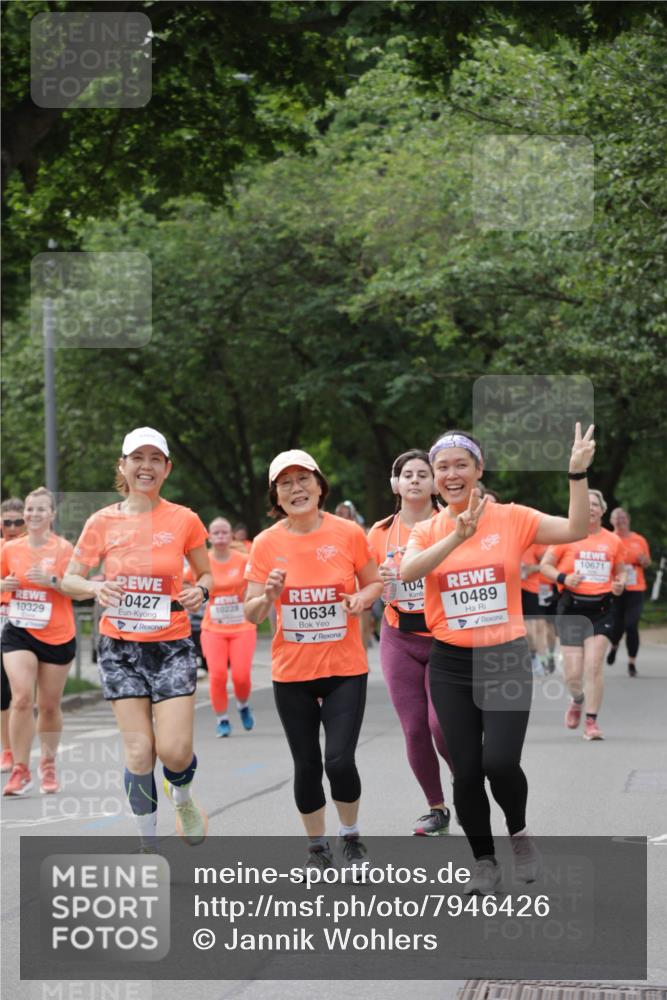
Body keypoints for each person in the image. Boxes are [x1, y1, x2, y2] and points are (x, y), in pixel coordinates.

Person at [401, 425, 595, 895]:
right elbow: (409, 572)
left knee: (501, 762)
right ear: (432, 480)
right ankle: (483, 861)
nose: (450, 474)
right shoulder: (427, 528)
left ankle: (520, 834)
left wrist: (576, 472)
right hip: (449, 662)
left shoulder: (512, 518)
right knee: (465, 770)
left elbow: (576, 528)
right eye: (441, 468)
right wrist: (455, 536)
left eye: (459, 465)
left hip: (504, 656)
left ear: (478, 470)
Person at [62, 427, 212, 846]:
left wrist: (201, 590)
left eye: (154, 459)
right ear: (123, 466)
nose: (145, 466)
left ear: (166, 468)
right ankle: (148, 842)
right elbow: (70, 578)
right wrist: (93, 588)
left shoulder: (184, 519)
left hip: (171, 646)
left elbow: (205, 573)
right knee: (139, 752)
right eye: (137, 458)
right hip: (119, 648)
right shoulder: (101, 521)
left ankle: (180, 793)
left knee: (175, 752)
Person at [244, 449, 382, 875]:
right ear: (277, 497)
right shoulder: (266, 543)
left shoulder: (348, 534)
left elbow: (375, 582)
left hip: (344, 669)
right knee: (306, 763)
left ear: (320, 486)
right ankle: (316, 846)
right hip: (292, 673)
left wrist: (363, 597)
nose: (296, 488)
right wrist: (267, 595)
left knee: (338, 760)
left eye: (303, 479)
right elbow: (250, 612)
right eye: (285, 483)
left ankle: (351, 837)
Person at [367, 450, 453, 837]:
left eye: (423, 474)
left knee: (441, 726)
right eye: (407, 474)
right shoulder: (380, 532)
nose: (415, 480)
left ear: (435, 483)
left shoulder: (449, 524)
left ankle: (465, 781)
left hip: (444, 637)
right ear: (395, 484)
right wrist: (378, 581)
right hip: (398, 635)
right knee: (415, 727)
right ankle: (436, 808)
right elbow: (365, 586)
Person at [1, 488, 76, 796]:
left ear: (52, 515)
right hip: (19, 630)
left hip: (57, 634)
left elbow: (77, 588)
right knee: (20, 697)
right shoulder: (9, 549)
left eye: (40, 510)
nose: (32, 515)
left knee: (48, 705)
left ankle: (47, 764)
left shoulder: (64, 549)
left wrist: (54, 582)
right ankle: (20, 769)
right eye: (29, 510)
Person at [540, 490, 626, 739]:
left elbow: (620, 573)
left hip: (602, 609)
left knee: (594, 665)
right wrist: (565, 578)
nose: (589, 508)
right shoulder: (566, 536)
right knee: (574, 673)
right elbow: (545, 566)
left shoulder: (613, 541)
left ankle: (591, 722)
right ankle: (577, 700)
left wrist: (619, 584)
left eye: (594, 504)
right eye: (585, 504)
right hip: (572, 609)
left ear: (602, 510)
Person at [201, 516, 257, 737]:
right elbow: (183, 581)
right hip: (213, 628)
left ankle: (243, 705)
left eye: (225, 532)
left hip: (242, 626)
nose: (221, 537)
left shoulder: (243, 559)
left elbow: (257, 580)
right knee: (217, 676)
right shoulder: (202, 561)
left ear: (231, 535)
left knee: (241, 676)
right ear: (210, 537)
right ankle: (222, 719)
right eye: (216, 533)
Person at [607, 507, 651, 677]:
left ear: (629, 520)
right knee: (617, 625)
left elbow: (647, 563)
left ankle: (631, 662)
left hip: (635, 588)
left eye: (623, 517)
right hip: (615, 588)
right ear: (611, 521)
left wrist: (644, 561)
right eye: (617, 518)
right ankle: (614, 646)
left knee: (632, 625)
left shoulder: (639, 540)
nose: (620, 520)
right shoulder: (609, 539)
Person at [0, 497, 27, 773]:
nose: (11, 527)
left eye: (17, 522)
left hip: (32, 626)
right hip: (3, 622)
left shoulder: (35, 549)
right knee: (4, 691)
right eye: (5, 522)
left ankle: (43, 757)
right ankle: (8, 751)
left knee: (25, 695)